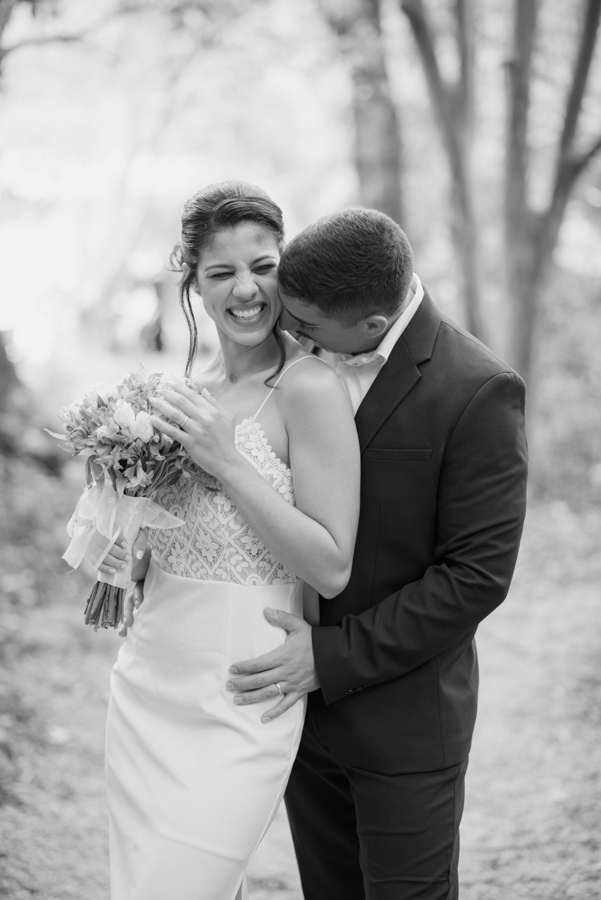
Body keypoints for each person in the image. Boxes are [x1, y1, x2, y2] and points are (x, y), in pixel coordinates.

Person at [222, 208, 529, 899]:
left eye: (306, 326)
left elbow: (473, 579)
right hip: (301, 727)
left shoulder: (477, 390)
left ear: (368, 326)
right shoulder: (290, 369)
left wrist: (327, 658)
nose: (290, 334)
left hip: (405, 728)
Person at [95, 181, 360, 900]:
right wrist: (131, 559)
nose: (246, 290)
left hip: (242, 694)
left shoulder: (308, 388)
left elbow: (331, 567)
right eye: (221, 273)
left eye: (263, 266)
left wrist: (229, 461)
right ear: (194, 281)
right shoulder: (181, 394)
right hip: (149, 681)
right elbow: (170, 546)